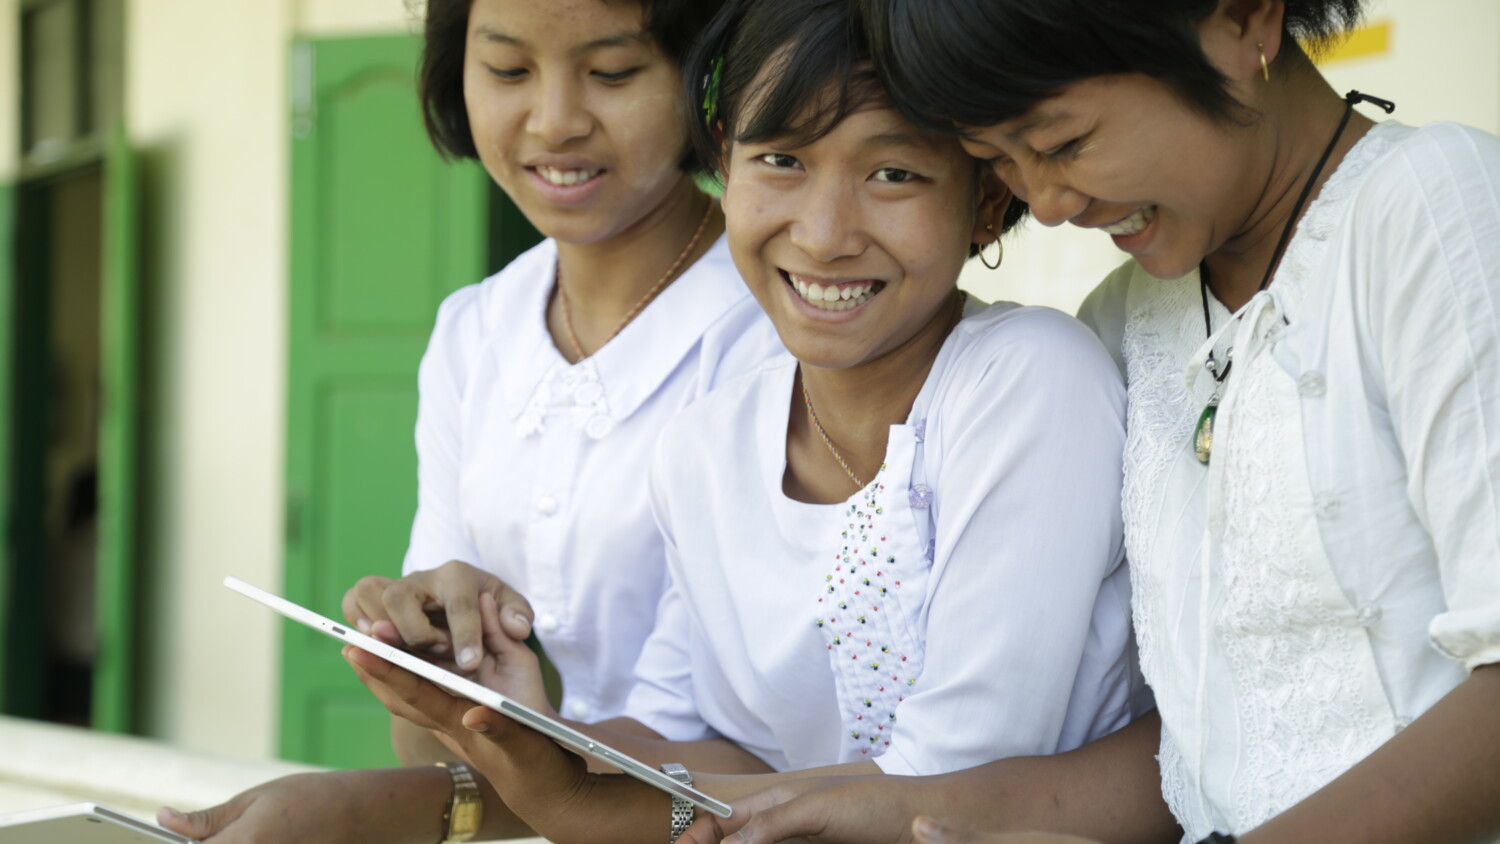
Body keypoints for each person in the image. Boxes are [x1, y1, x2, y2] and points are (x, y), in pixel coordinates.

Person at [691, 1, 1500, 843]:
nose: (1044, 205)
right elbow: (1188, 750)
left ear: (1244, 21)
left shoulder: (1434, 207)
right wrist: (893, 815)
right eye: (1000, 159)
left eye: (1064, 143)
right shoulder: (1126, 320)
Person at [344, 0, 1149, 842]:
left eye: (893, 174)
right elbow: (706, 748)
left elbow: (950, 777)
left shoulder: (1029, 382)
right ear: (724, 162)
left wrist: (590, 797)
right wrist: (522, 725)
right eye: (781, 161)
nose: (826, 234)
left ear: (988, 199)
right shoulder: (703, 447)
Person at [156, 0, 785, 840]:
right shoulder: (475, 331)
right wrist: (432, 669)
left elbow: (716, 761)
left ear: (705, 77)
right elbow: (432, 745)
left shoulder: (776, 333)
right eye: (508, 70)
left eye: (612, 72)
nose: (554, 121)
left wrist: (358, 813)